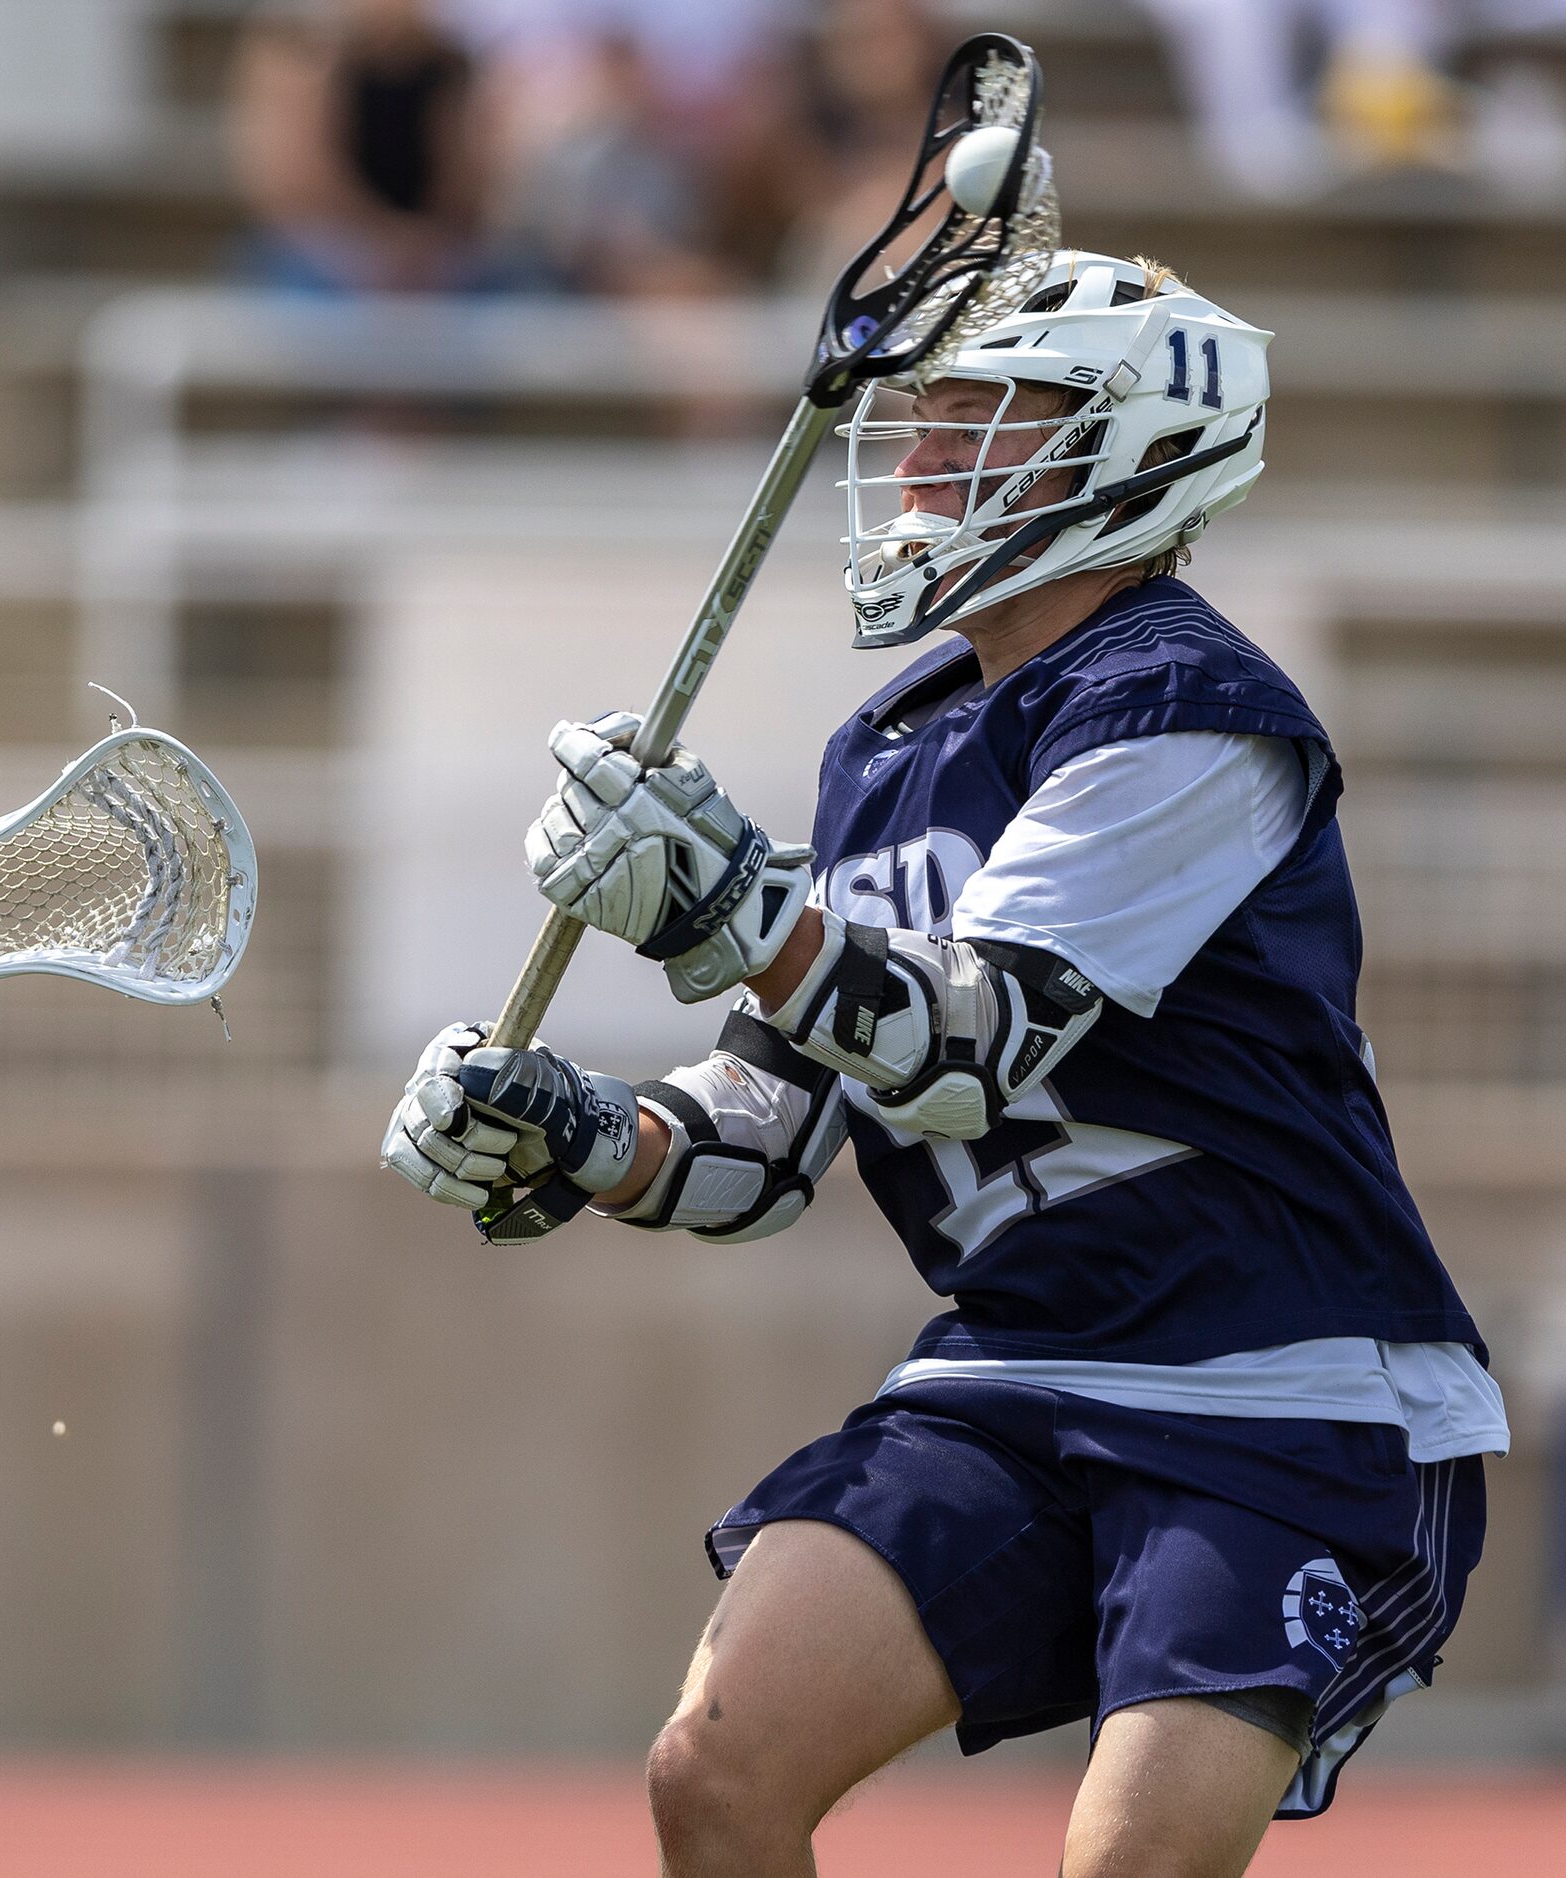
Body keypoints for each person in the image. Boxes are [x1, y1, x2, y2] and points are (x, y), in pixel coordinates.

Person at [385, 252, 1505, 1873]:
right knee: (714, 1771)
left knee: (1130, 1859)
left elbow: (969, 1041)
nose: (920, 453)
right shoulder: (889, 746)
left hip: (1278, 1388)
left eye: (981, 413)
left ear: (1129, 451)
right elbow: (762, 1142)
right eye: (929, 409)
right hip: (1016, 1368)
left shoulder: (1186, 713)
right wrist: (582, 1133)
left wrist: (727, 907)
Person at [231, 0, 497, 293]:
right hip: (324, 247)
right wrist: (381, 242)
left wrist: (419, 244)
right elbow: (294, 184)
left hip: (434, 252)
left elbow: (468, 186)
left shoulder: (450, 59)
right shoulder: (296, 44)